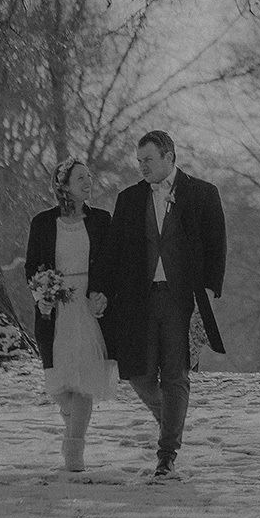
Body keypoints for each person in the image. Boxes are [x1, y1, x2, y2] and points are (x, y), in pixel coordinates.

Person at [101, 129, 227, 478]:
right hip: (139, 301)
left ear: (169, 157)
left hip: (180, 301)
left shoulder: (202, 193)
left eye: (149, 160)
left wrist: (211, 290)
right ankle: (171, 419)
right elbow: (114, 252)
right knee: (138, 372)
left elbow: (217, 243)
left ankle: (166, 455)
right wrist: (102, 290)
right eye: (139, 161)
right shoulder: (128, 199)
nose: (142, 167)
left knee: (175, 374)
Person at [24, 159, 116, 472]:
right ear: (63, 185)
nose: (88, 182)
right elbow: (32, 266)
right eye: (80, 178)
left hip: (89, 309)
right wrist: (42, 296)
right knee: (61, 386)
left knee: (85, 382)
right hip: (56, 310)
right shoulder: (43, 222)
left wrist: (102, 293)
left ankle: (73, 450)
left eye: (89, 176)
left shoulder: (102, 220)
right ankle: (72, 427)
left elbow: (110, 262)